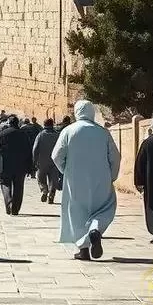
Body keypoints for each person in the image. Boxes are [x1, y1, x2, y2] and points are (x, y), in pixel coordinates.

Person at [52, 100, 120, 261]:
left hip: (75, 179)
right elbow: (115, 157)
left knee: (77, 212)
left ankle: (83, 249)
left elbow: (56, 156)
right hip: (101, 179)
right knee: (105, 208)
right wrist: (112, 176)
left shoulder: (69, 131)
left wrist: (66, 170)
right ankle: (95, 230)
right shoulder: (103, 132)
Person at [0, 115, 32, 215]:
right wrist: (30, 166)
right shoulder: (24, 134)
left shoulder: (2, 134)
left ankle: (9, 203)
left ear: (9, 123)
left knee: (5, 184)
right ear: (18, 123)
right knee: (19, 187)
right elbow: (29, 151)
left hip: (5, 165)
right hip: (20, 166)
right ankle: (15, 209)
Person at [32, 119, 62, 204]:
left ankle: (44, 189)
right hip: (54, 161)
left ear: (44, 125)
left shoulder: (40, 135)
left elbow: (35, 149)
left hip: (42, 161)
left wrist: (34, 160)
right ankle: (51, 194)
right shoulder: (57, 135)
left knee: (40, 177)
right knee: (54, 179)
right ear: (52, 124)